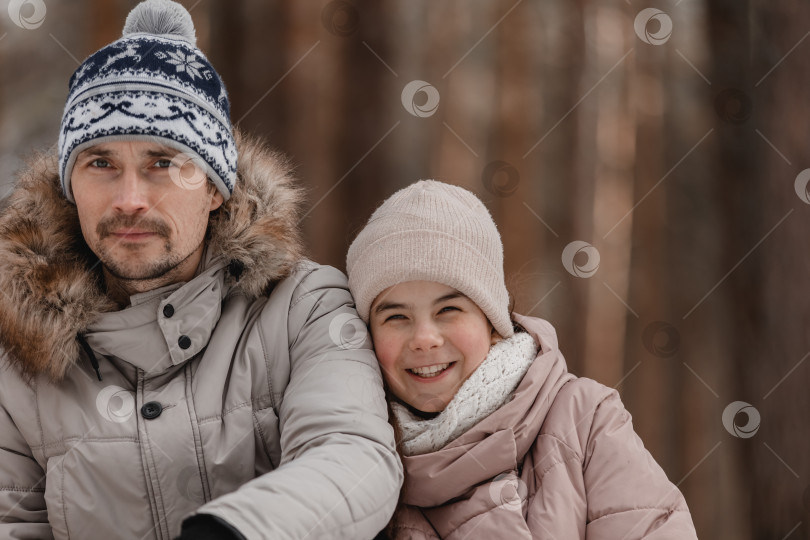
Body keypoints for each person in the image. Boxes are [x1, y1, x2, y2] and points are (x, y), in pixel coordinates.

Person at [0, 1, 402, 539]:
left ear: (214, 187)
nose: (130, 199)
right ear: (72, 188)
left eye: (162, 163)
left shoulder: (303, 307)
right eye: (101, 164)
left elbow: (354, 456)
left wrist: (238, 531)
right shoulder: (17, 355)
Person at [346, 180, 699, 539]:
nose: (424, 339)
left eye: (448, 309)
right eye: (396, 317)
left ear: (493, 321)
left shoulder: (584, 422)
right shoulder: (350, 462)